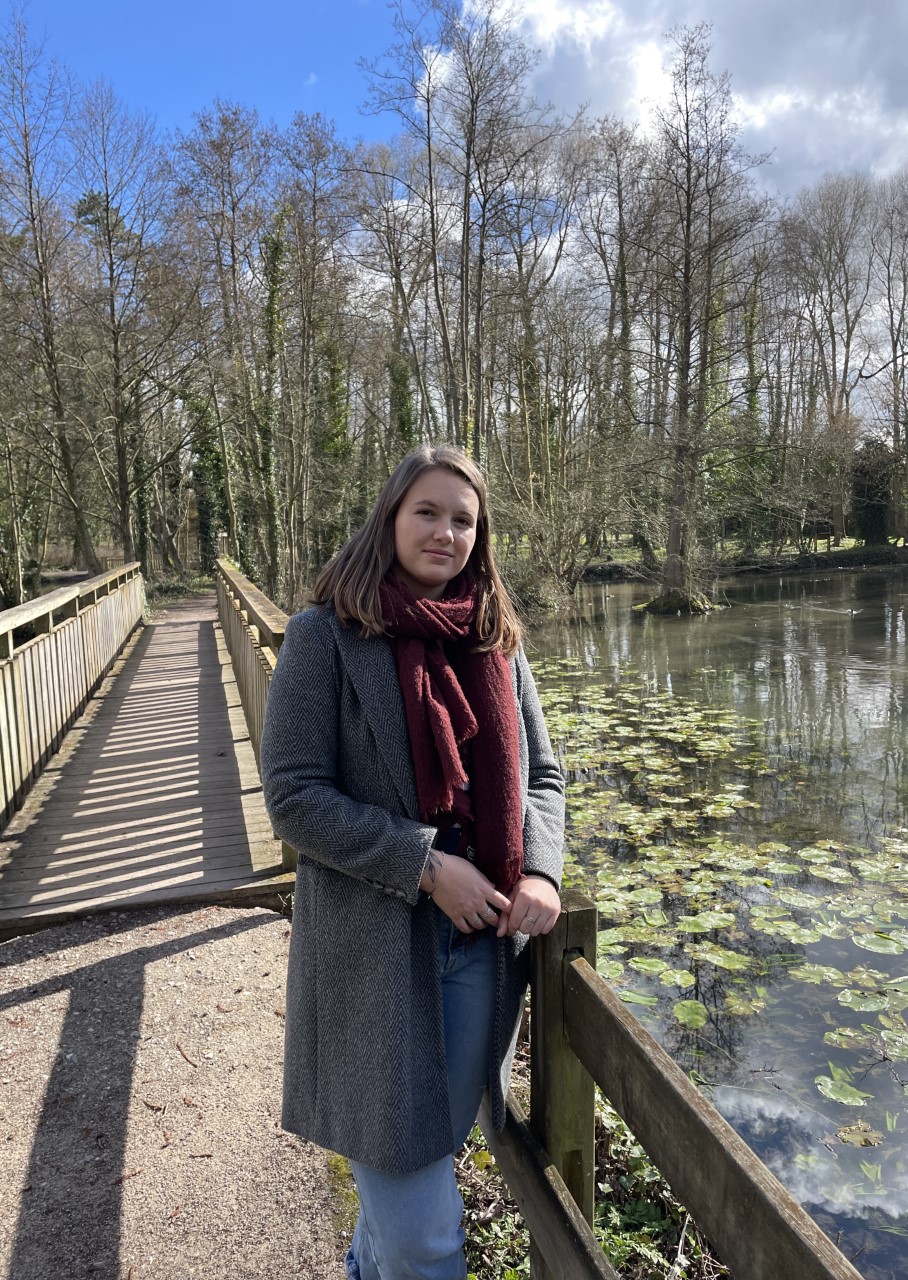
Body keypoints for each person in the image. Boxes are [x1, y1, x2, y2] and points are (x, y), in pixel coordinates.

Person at [259, 444, 565, 1280]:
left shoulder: (495, 637)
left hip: (480, 954)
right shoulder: (323, 636)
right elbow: (292, 796)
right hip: (372, 961)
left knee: (421, 1171)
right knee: (426, 1235)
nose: (446, 531)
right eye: (427, 512)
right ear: (390, 519)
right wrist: (426, 865)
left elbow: (542, 775)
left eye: (464, 519)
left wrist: (539, 870)